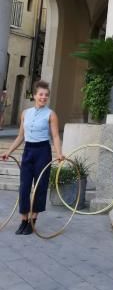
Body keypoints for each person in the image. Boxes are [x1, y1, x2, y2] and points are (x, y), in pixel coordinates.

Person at [1, 80, 64, 235]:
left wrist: (59, 153)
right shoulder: (25, 114)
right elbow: (20, 136)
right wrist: (8, 151)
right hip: (28, 151)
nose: (43, 97)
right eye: (41, 94)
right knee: (24, 186)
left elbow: (55, 136)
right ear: (34, 95)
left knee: (40, 187)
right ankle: (23, 220)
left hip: (43, 151)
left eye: (46, 95)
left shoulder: (51, 114)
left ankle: (32, 221)